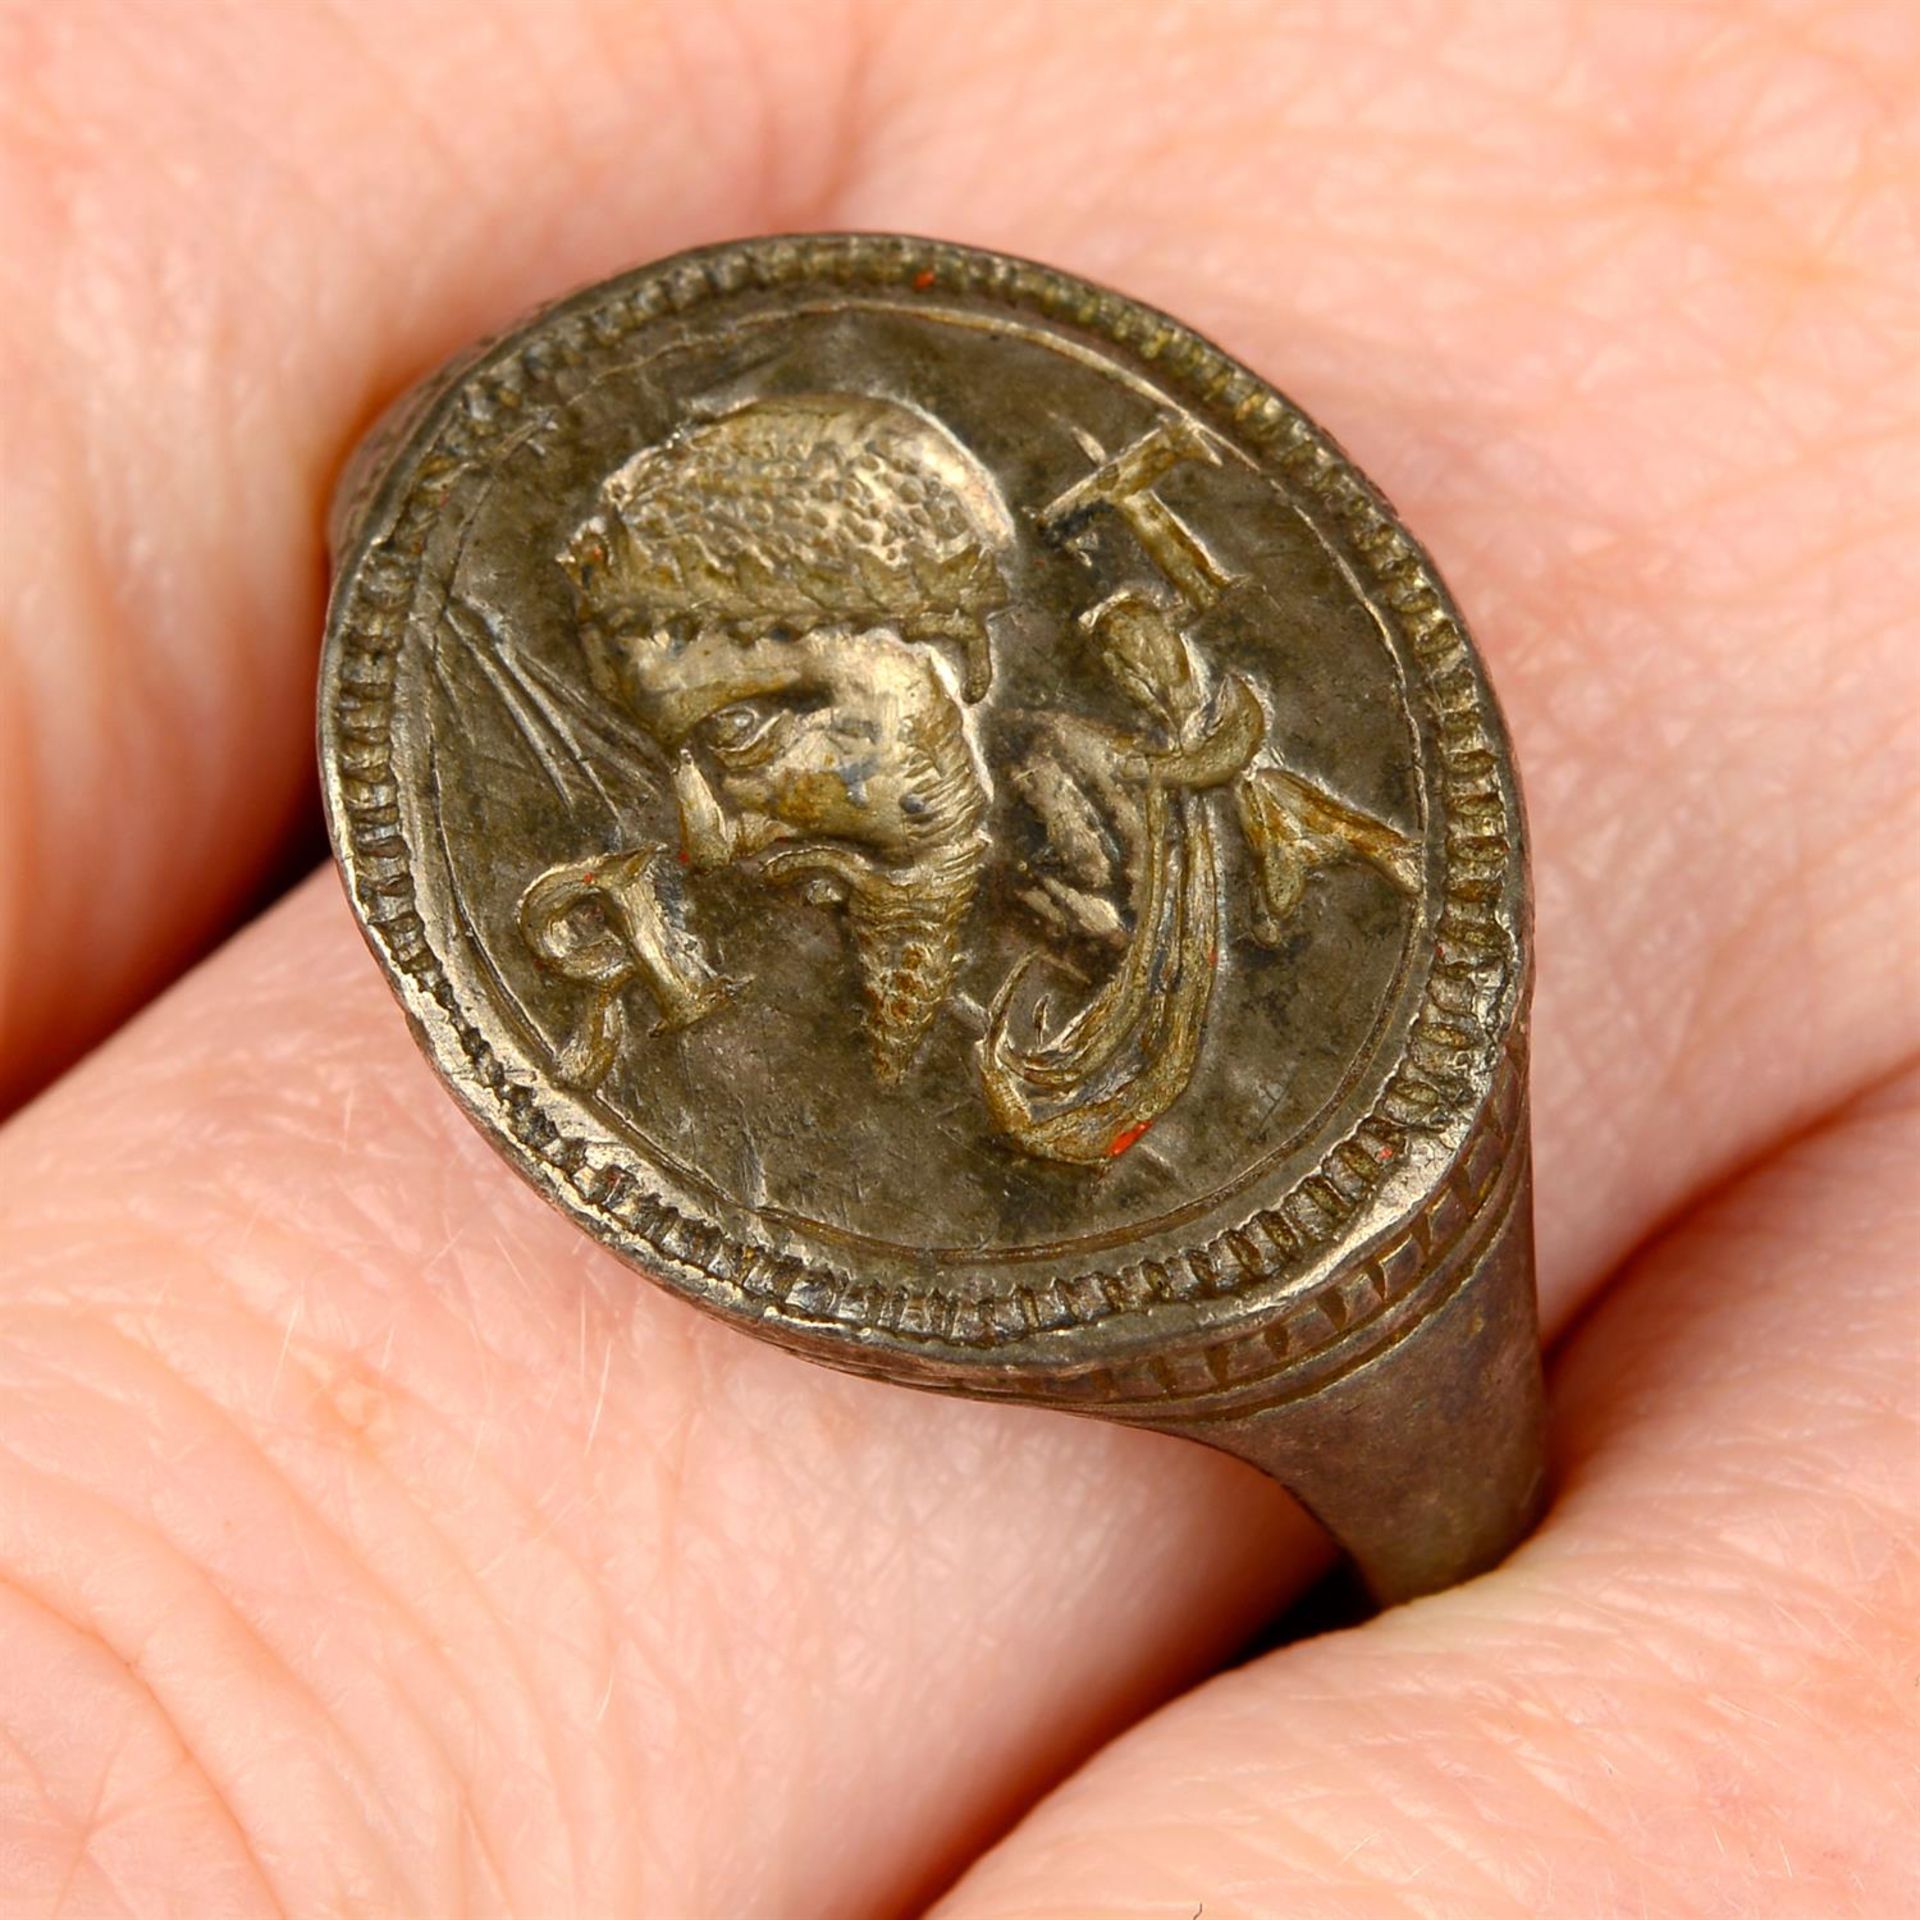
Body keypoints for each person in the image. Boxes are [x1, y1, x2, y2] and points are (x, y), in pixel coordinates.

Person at [0, 2, 1913, 1913]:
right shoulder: (713, 927)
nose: (724, 790)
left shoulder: (1133, 847)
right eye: (685, 740)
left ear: (958, 661)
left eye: (780, 704)